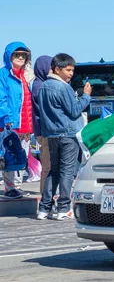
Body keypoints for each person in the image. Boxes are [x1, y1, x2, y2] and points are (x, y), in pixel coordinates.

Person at [37, 53, 92, 220]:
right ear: (56, 69)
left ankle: (44, 208)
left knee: (53, 171)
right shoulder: (64, 88)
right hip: (68, 134)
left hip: (52, 134)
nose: (71, 73)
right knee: (67, 171)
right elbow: (75, 111)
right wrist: (86, 95)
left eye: (72, 70)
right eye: (68, 70)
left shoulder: (43, 87)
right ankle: (63, 207)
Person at [0, 42, 34, 199]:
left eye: (23, 55)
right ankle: (10, 188)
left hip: (27, 125)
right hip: (10, 124)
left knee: (22, 156)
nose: (20, 57)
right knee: (10, 155)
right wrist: (7, 118)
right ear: (9, 56)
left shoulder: (28, 75)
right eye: (16, 54)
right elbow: (2, 99)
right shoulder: (3, 75)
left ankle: (18, 186)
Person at [31, 55, 52, 193]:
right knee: (48, 167)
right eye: (50, 67)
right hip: (45, 131)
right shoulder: (41, 87)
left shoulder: (39, 84)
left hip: (42, 131)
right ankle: (46, 200)